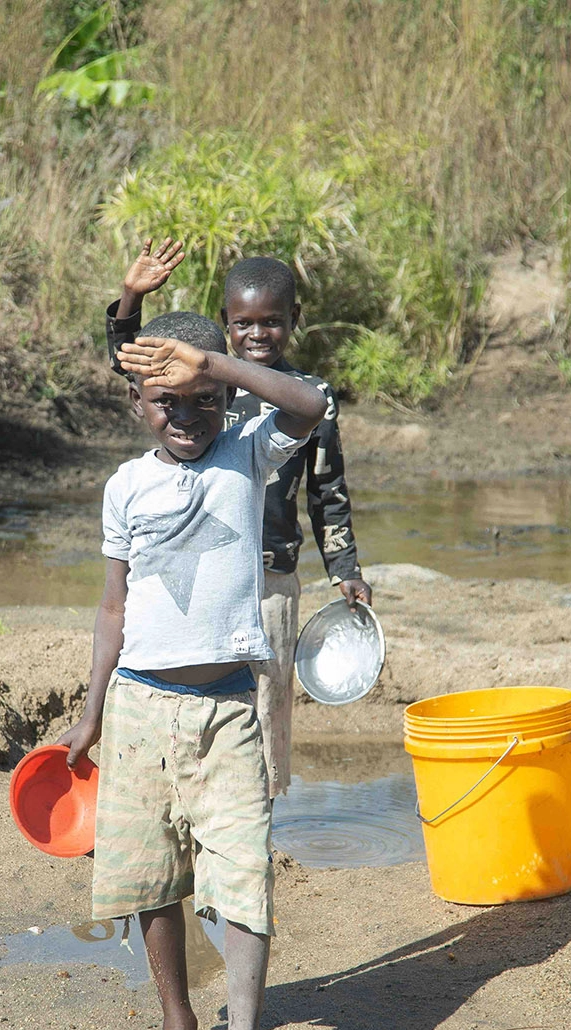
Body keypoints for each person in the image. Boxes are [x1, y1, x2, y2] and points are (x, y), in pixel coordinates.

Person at [56, 310, 329, 1030]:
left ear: (223, 397)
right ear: (140, 402)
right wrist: (91, 709)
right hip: (140, 708)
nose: (186, 418)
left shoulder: (247, 452)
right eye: (166, 402)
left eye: (202, 400)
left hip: (228, 711)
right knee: (152, 873)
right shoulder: (125, 486)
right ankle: (178, 1018)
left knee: (244, 873)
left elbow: (308, 405)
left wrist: (211, 362)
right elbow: (114, 609)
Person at [107, 241, 369, 799]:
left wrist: (344, 565)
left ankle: (258, 815)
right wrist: (130, 298)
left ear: (293, 323)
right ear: (225, 326)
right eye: (243, 324)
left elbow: (328, 487)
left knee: (267, 700)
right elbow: (136, 367)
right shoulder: (205, 389)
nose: (257, 336)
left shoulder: (304, 398)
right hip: (196, 574)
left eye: (272, 323)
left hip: (270, 577)